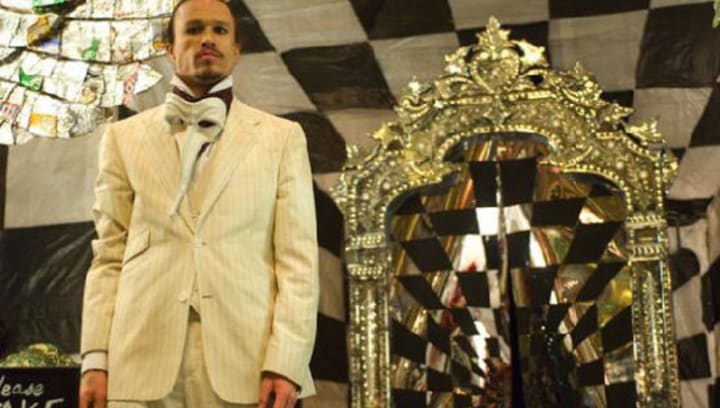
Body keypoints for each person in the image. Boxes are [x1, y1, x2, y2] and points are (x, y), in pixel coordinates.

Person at [78, 0, 319, 406]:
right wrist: (95, 359)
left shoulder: (281, 137)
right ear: (170, 49)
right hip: (137, 360)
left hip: (246, 362)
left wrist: (286, 362)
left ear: (236, 49)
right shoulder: (122, 137)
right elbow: (109, 256)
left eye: (219, 30)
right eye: (193, 30)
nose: (207, 39)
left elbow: (298, 262)